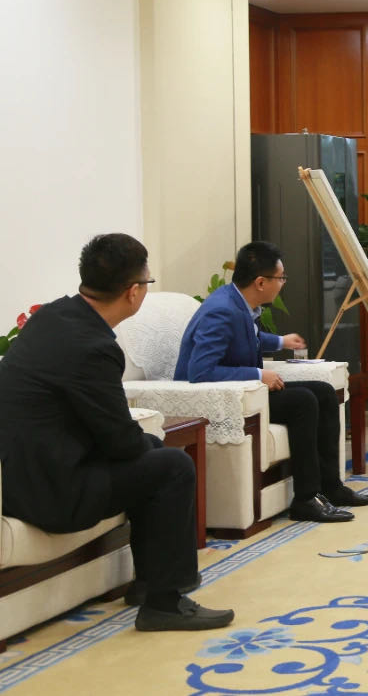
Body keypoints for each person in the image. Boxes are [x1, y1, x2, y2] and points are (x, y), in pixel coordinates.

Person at [0, 234, 233, 631]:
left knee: (152, 454)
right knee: (172, 466)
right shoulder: (94, 347)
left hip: (22, 476)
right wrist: (150, 445)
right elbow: (121, 441)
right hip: (52, 491)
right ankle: (165, 603)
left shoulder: (53, 316)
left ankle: (149, 584)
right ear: (133, 291)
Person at [175, 241, 368, 523]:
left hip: (244, 392)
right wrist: (258, 375)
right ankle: (306, 499)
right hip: (220, 397)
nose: (283, 283)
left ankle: (331, 487)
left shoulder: (239, 302)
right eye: (281, 278)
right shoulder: (221, 310)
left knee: (323, 392)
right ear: (260, 282)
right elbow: (200, 371)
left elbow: (249, 337)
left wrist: (281, 342)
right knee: (303, 401)